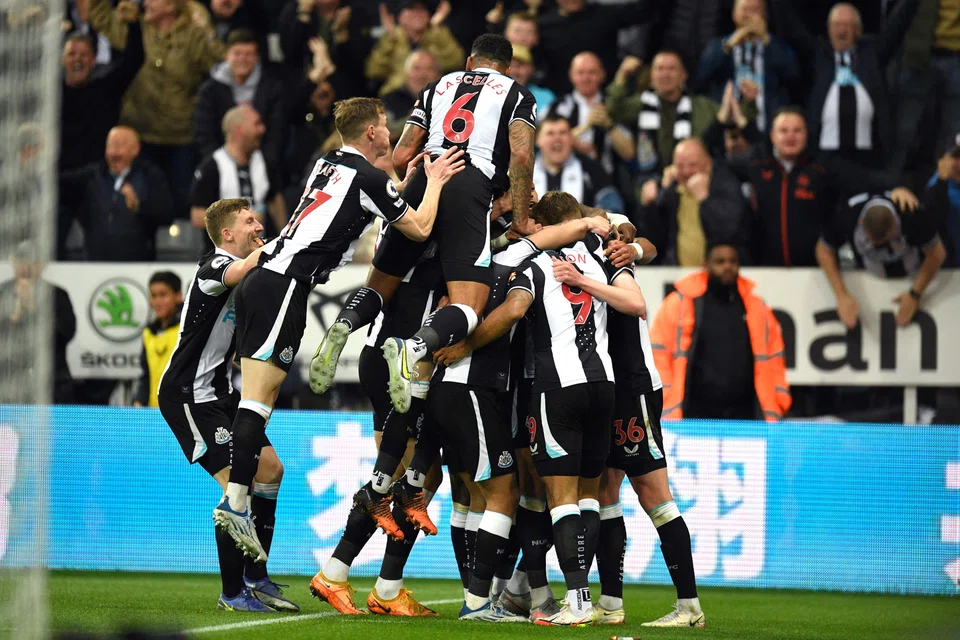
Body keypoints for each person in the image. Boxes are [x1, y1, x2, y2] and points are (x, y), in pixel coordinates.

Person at [212, 97, 465, 562]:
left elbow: (368, 197)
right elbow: (422, 227)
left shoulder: (328, 162)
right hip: (288, 284)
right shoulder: (370, 178)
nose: (392, 133)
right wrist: (436, 183)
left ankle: (239, 506)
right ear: (371, 132)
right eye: (386, 126)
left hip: (263, 277)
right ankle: (235, 504)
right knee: (257, 401)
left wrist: (403, 184)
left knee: (257, 398)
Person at [310, 34, 538, 418]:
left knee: (379, 286)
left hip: (424, 175)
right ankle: (413, 348)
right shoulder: (517, 94)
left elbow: (401, 153)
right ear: (507, 68)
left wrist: (418, 181)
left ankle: (343, 325)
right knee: (469, 306)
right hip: (469, 184)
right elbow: (521, 155)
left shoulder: (439, 85)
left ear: (469, 63)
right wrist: (520, 219)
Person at [453, 191, 645, 626]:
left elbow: (513, 304)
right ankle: (585, 597)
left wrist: (466, 342)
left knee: (558, 500)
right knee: (590, 498)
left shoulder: (531, 264)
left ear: (543, 226)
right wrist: (629, 242)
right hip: (605, 386)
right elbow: (636, 265)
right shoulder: (601, 256)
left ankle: (574, 603)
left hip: (556, 388)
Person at [157, 198, 299, 613]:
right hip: (189, 396)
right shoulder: (214, 269)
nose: (258, 225)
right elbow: (240, 269)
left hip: (221, 393)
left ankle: (257, 576)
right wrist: (287, 241)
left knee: (271, 470)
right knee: (238, 487)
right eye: (248, 221)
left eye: (257, 219)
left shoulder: (247, 277)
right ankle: (232, 592)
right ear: (226, 234)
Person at [87, 0, 226, 215]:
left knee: (182, 201)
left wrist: (207, 31)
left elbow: (220, 63)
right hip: (141, 134)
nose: (146, 3)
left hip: (181, 137)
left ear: (171, 6)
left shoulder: (193, 34)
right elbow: (99, 17)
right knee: (144, 203)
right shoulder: (135, 29)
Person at [741, 107, 917, 267]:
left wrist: (897, 187)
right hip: (767, 269)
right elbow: (718, 166)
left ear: (806, 135)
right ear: (772, 136)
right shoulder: (756, 163)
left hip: (817, 270)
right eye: (783, 131)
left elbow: (865, 179)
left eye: (797, 131)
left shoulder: (823, 165)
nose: (790, 137)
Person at [772, 0, 920, 169]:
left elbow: (899, 22)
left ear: (858, 30)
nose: (841, 30)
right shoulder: (818, 54)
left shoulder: (873, 54)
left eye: (847, 25)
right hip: (823, 155)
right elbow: (791, 26)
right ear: (828, 29)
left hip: (867, 156)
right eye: (836, 25)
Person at [651, 242, 791, 421]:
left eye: (732, 261)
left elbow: (775, 359)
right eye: (720, 261)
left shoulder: (757, 308)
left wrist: (779, 402)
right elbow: (659, 355)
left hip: (748, 416)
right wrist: (666, 399)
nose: (727, 267)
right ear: (706, 265)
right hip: (692, 415)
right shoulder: (680, 303)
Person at [817, 191, 947, 328]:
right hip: (867, 278)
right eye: (871, 240)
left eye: (885, 240)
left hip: (912, 274)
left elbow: (937, 254)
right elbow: (824, 250)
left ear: (895, 222)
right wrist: (841, 295)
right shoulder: (848, 215)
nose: (878, 246)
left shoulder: (910, 215)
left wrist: (915, 294)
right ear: (860, 222)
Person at [607, 51, 722, 191]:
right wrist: (622, 74)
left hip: (691, 180)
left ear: (683, 75)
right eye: (660, 69)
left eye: (672, 69)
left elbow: (727, 119)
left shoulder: (703, 107)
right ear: (652, 76)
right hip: (649, 182)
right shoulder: (642, 104)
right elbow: (612, 109)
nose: (665, 74)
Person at [59, 126, 174, 261]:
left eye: (119, 146)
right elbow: (59, 188)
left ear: (135, 149)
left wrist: (139, 206)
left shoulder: (150, 177)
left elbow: (166, 216)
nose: (114, 152)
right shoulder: (91, 176)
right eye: (110, 146)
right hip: (94, 265)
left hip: (138, 266)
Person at [639, 137, 746, 266]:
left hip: (717, 278)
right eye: (680, 166)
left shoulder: (727, 185)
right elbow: (654, 239)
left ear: (708, 164)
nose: (686, 172)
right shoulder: (671, 190)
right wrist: (648, 206)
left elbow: (729, 233)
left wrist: (705, 199)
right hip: (678, 276)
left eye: (692, 165)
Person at [696, 0, 799, 132]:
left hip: (767, 127)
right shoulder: (719, 47)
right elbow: (703, 76)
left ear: (765, 15)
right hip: (728, 129)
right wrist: (730, 44)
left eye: (755, 10)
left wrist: (766, 39)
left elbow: (793, 75)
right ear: (734, 14)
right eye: (745, 9)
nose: (749, 15)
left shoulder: (776, 46)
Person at [189, 106, 287, 242]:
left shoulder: (264, 162)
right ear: (239, 129)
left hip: (261, 250)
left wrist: (285, 238)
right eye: (256, 124)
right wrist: (238, 223)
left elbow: (275, 199)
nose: (262, 129)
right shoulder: (212, 167)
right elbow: (197, 216)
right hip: (225, 255)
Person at [193, 29, 286, 171]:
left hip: (264, 164)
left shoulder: (271, 87)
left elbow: (276, 133)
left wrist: (263, 166)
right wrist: (221, 166)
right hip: (220, 165)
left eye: (249, 54)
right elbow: (204, 135)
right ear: (226, 55)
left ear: (257, 58)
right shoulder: (210, 90)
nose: (242, 59)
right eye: (237, 54)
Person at [59, 22, 143, 173]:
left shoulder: (106, 89)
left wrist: (133, 24)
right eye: (71, 54)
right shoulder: (53, 97)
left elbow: (135, 58)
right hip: (60, 176)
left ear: (93, 61)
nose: (78, 59)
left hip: (97, 179)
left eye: (84, 54)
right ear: (62, 60)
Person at [0, 241, 76, 404]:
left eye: (33, 261)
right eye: (21, 261)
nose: (26, 267)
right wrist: (14, 316)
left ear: (43, 265)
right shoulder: (2, 293)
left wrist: (35, 310)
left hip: (52, 383)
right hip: (9, 384)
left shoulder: (57, 295)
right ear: (13, 262)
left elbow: (68, 333)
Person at [548, 52, 634, 178]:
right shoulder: (559, 106)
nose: (586, 78)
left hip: (606, 178)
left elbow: (629, 153)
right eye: (580, 73)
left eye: (592, 73)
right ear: (571, 76)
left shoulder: (614, 105)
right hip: (564, 178)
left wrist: (609, 125)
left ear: (602, 75)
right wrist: (582, 130)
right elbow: (546, 145)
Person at [366, 0, 464, 96]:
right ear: (400, 17)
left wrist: (436, 29)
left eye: (422, 9)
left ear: (428, 15)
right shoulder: (392, 38)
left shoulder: (438, 36)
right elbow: (374, 71)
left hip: (433, 94)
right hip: (397, 95)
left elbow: (456, 62)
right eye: (411, 9)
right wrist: (390, 38)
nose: (417, 14)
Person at [534, 113, 622, 212]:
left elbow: (611, 205)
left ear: (571, 138)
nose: (557, 139)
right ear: (537, 139)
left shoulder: (591, 168)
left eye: (562, 133)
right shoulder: (523, 171)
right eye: (550, 133)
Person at [132, 271, 182, 408]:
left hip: (182, 414)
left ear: (178, 296)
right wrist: (139, 402)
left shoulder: (188, 329)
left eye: (163, 295)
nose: (157, 301)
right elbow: (146, 375)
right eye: (153, 296)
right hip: (153, 413)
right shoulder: (148, 333)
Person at [382, 51, 441, 143]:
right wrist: (411, 122)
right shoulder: (389, 100)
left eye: (429, 69)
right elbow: (382, 135)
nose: (422, 75)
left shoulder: (447, 101)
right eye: (416, 68)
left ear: (438, 74)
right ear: (406, 73)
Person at [925, 134, 960, 266]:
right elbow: (932, 222)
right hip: (950, 272)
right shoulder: (936, 186)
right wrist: (941, 183)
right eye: (956, 157)